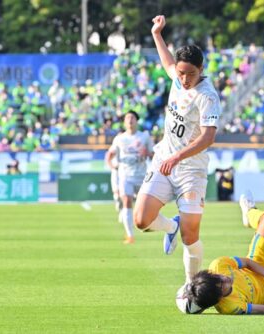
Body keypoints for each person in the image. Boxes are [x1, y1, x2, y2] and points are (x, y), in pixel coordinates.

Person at [133, 15, 222, 284]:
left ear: (201, 69)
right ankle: (170, 226)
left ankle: (190, 287)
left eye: (190, 74)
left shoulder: (208, 97)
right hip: (164, 159)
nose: (184, 79)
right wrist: (157, 34)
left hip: (190, 169)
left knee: (191, 236)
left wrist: (178, 156)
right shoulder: (176, 78)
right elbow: (168, 63)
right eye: (181, 73)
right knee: (141, 220)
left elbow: (208, 138)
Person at [105, 111, 154, 244]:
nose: (130, 120)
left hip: (141, 175)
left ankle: (148, 224)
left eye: (132, 117)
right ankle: (130, 235)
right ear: (124, 122)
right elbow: (109, 155)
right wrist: (112, 167)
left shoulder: (144, 136)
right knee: (126, 201)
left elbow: (155, 156)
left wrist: (148, 153)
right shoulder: (119, 138)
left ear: (137, 121)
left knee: (144, 207)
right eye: (127, 118)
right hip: (125, 175)